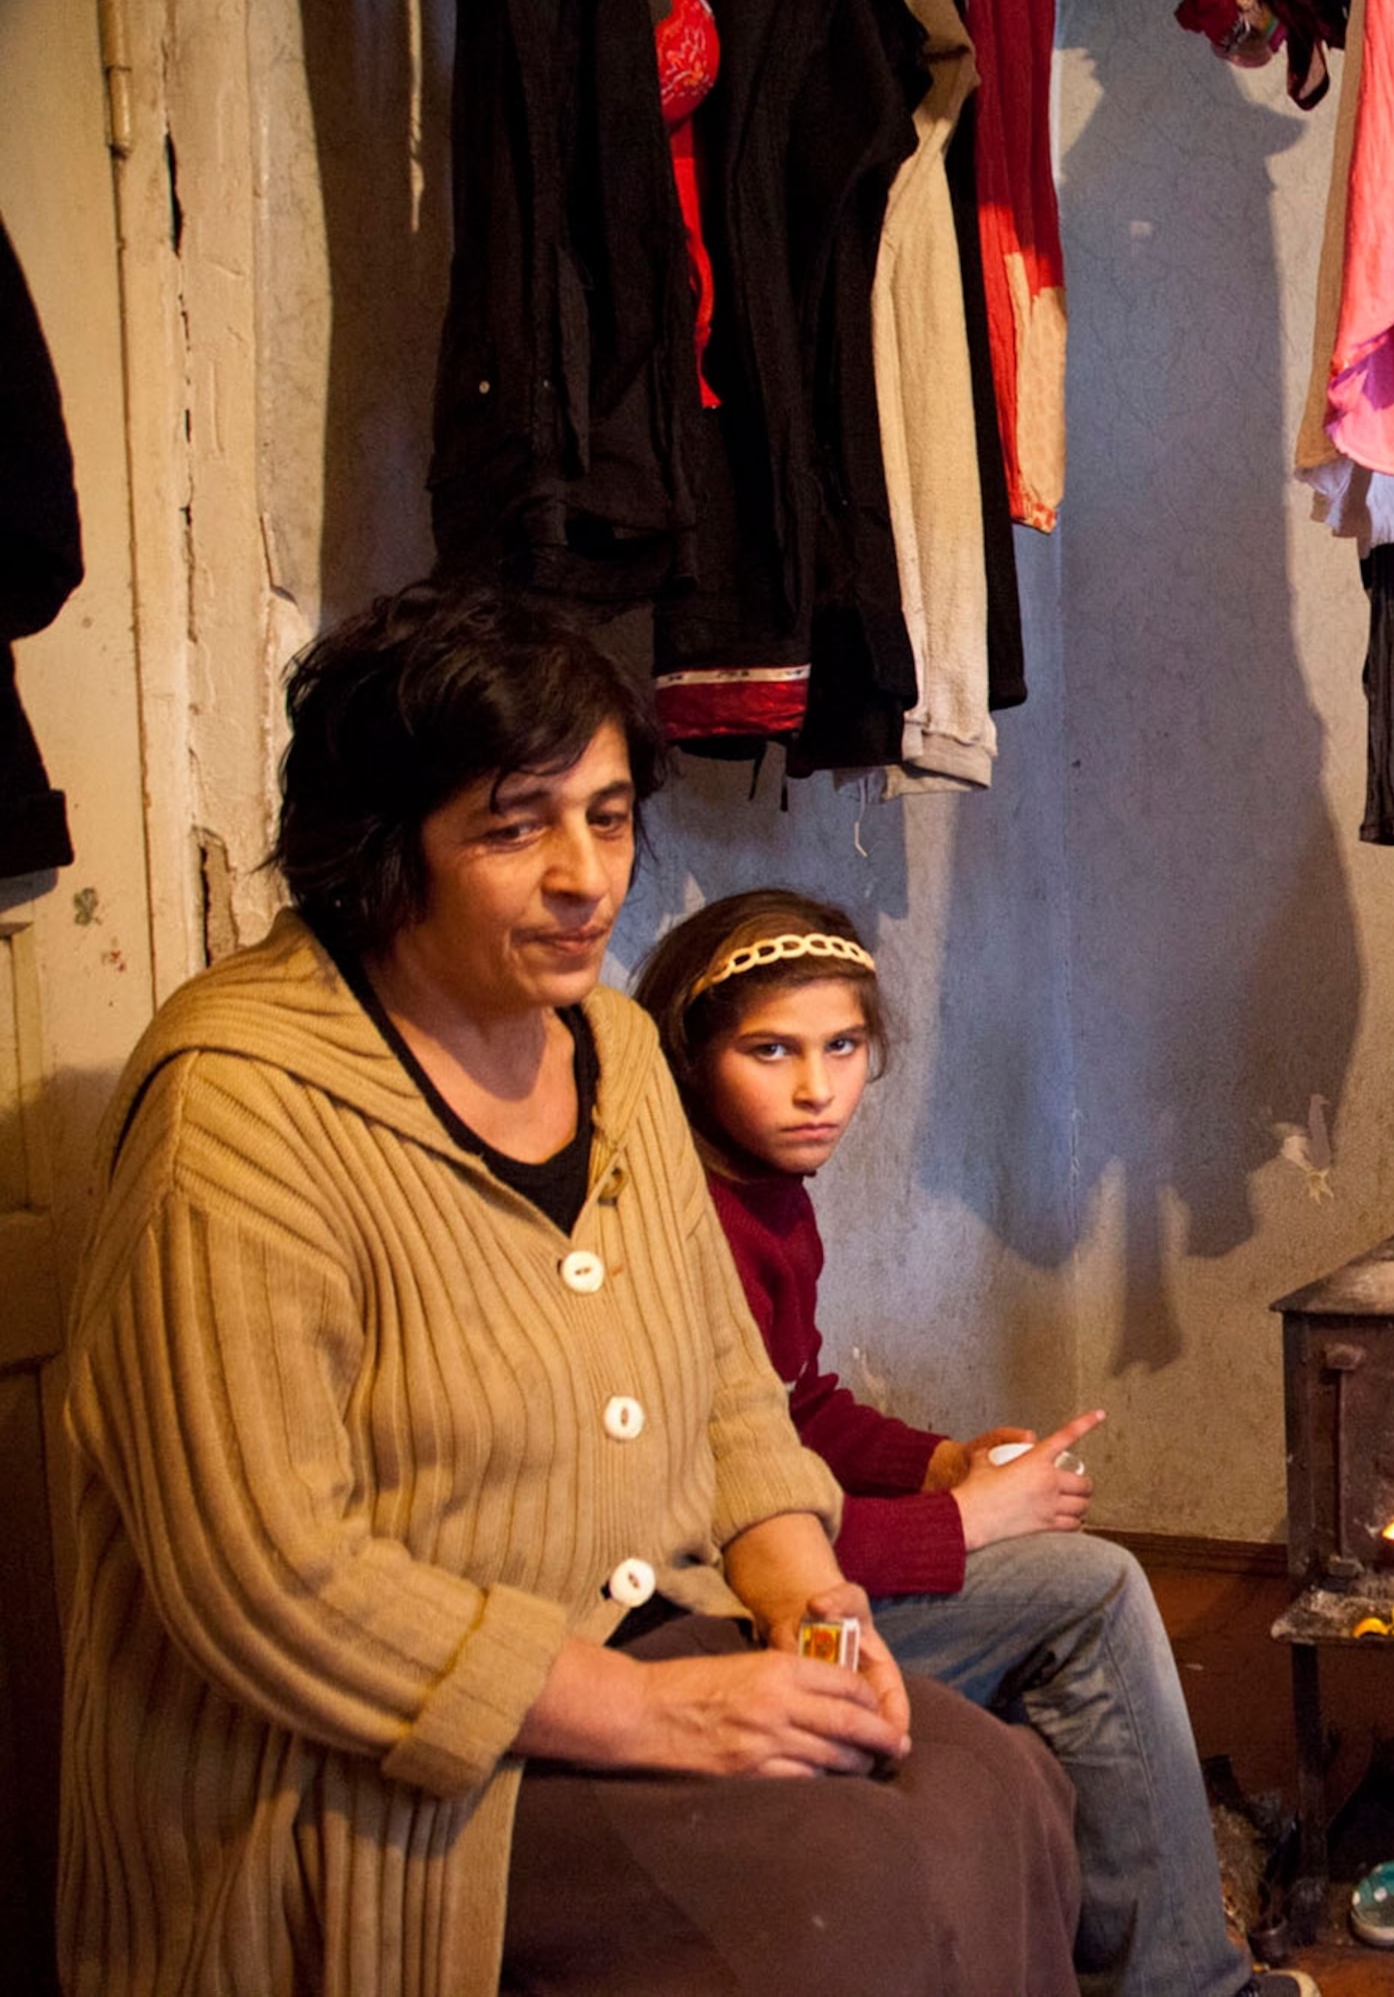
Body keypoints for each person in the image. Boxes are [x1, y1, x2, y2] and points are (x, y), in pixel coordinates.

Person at [55, 587, 1078, 1994]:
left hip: (645, 1623)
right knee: (843, 1881)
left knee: (989, 1785)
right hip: (371, 1752)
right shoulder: (240, 1115)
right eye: (512, 824)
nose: (584, 877)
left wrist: (806, 1605)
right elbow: (270, 1580)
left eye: (605, 816)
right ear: (382, 850)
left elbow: (732, 1392)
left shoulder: (614, 1048)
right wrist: (660, 1716)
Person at [632, 890, 1316, 1997]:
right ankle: (1189, 1983)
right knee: (1090, 1587)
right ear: (692, 1053)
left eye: (844, 1045)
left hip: (783, 1564)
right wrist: (967, 1522)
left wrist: (941, 1463)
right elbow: (726, 1505)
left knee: (1069, 1592)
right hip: (714, 1613)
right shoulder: (690, 1218)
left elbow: (791, 1404)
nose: (817, 1088)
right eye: (772, 1050)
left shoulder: (767, 1190)